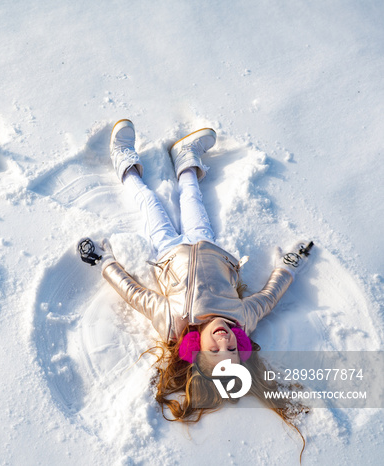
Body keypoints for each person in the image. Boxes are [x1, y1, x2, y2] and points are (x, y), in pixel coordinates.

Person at [79, 119, 312, 451]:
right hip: (208, 245)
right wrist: (289, 267)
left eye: (214, 351)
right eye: (232, 349)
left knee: (148, 202)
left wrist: (105, 262)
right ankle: (185, 156)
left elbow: (135, 295)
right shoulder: (242, 317)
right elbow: (270, 296)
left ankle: (123, 158)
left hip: (167, 249)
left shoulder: (174, 321)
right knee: (191, 197)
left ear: (194, 349)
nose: (224, 341)